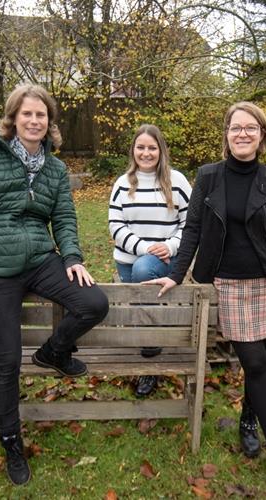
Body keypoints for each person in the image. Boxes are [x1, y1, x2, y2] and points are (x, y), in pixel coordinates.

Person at [0, 84, 109, 486]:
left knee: (94, 302)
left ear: (50, 122)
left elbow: (65, 219)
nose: (35, 121)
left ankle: (53, 352)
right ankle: (11, 443)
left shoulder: (55, 170)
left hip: (41, 259)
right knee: (5, 362)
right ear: (13, 118)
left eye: (42, 115)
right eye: (27, 114)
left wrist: (72, 257)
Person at [145, 102, 266, 496]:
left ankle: (248, 420)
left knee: (259, 363)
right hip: (227, 284)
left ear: (262, 136)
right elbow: (193, 229)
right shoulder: (208, 178)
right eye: (236, 128)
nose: (243, 134)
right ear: (227, 134)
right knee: (252, 361)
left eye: (251, 128)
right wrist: (176, 274)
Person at [108, 124, 192, 396]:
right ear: (133, 150)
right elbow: (115, 225)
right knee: (144, 304)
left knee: (143, 282)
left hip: (164, 259)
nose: (146, 153)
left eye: (152, 147)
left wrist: (170, 246)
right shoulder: (123, 184)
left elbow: (190, 223)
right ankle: (150, 343)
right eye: (140, 147)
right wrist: (143, 247)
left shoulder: (176, 181)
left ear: (161, 150)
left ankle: (149, 359)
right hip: (127, 258)